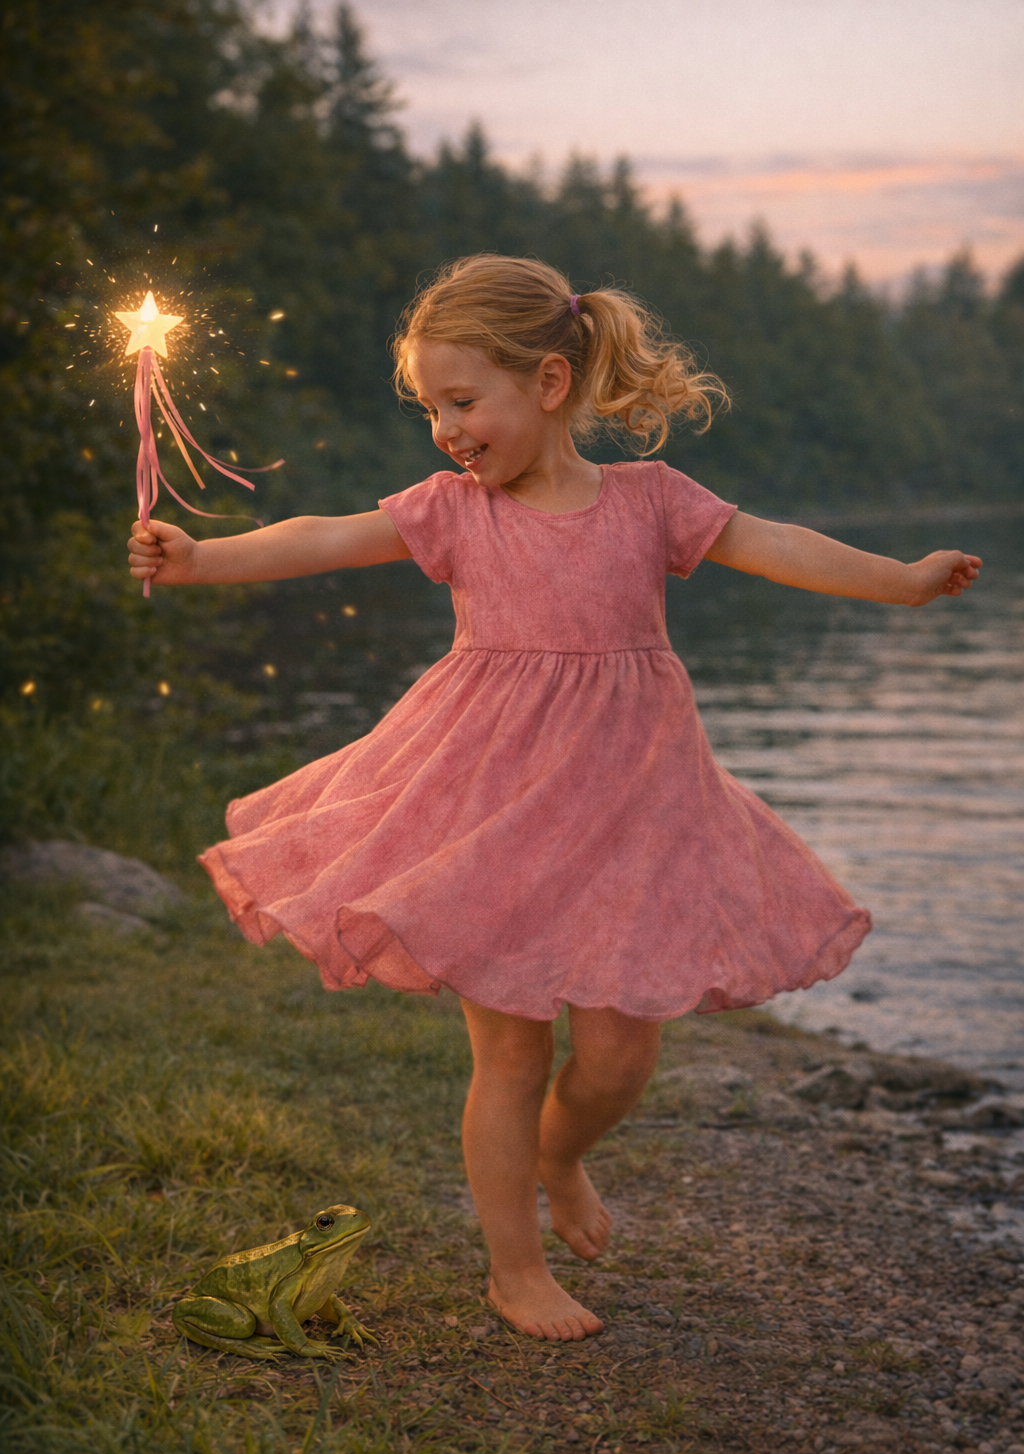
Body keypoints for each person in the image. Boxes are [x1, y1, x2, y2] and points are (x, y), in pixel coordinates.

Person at [127, 254, 981, 1343]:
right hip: (495, 813)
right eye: (430, 406)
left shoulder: (649, 503)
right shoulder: (450, 512)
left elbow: (775, 547)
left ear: (547, 381)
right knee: (512, 1053)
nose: (444, 427)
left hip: (633, 812)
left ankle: (560, 1154)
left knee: (621, 1055)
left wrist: (899, 579)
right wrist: (201, 558)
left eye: (462, 401)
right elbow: (324, 537)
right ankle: (512, 1268)